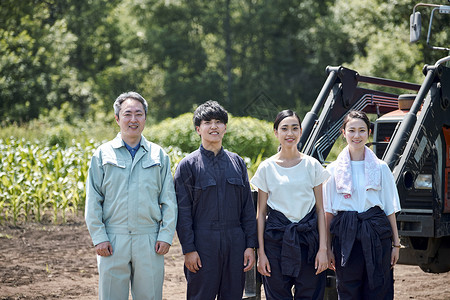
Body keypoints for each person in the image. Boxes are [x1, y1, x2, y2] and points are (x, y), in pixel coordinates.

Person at [85, 91, 177, 300]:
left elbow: (169, 200)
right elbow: (93, 200)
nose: (133, 120)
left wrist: (165, 235)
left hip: (149, 239)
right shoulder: (102, 154)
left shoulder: (159, 155)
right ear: (117, 119)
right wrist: (99, 237)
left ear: (145, 118)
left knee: (150, 296)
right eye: (127, 114)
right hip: (113, 238)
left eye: (139, 114)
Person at [174, 100, 257, 300]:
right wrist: (189, 249)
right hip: (203, 244)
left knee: (233, 295)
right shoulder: (188, 166)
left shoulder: (237, 162)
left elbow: (247, 207)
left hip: (235, 242)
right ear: (198, 129)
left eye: (219, 122)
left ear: (225, 128)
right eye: (207, 122)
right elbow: (182, 212)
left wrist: (249, 245)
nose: (214, 126)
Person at [250, 109, 329, 300]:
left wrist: (323, 250)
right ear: (276, 132)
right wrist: (261, 253)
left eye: (294, 128)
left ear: (301, 131)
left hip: (309, 242)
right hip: (276, 242)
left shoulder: (312, 165)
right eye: (284, 129)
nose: (290, 133)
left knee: (310, 295)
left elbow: (321, 210)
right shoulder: (267, 167)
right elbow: (261, 213)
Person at [322, 110, 401, 300]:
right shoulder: (332, 170)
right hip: (345, 237)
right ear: (343, 132)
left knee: (379, 288)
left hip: (376, 234)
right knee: (348, 290)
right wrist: (327, 247)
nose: (356, 136)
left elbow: (390, 209)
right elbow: (328, 213)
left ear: (369, 132)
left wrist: (396, 244)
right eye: (352, 130)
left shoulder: (381, 168)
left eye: (361, 130)